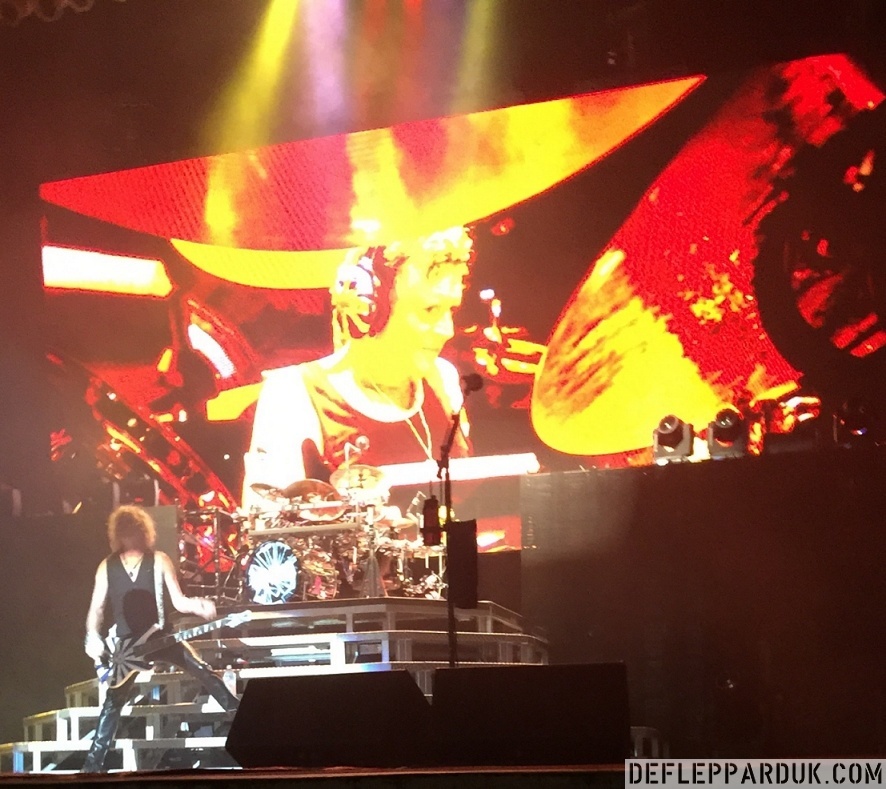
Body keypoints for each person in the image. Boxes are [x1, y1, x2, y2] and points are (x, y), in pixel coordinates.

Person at [242, 226, 475, 510]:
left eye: (451, 310)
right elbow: (267, 530)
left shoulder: (443, 381)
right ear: (369, 308)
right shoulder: (291, 394)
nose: (446, 330)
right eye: (429, 310)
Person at [82, 505, 239, 773]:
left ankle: (243, 721)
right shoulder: (107, 566)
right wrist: (92, 636)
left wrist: (198, 606)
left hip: (160, 636)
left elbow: (178, 600)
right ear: (119, 534)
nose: (131, 536)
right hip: (127, 645)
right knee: (114, 700)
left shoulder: (159, 560)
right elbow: (96, 608)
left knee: (201, 669)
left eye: (135, 531)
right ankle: (92, 766)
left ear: (143, 532)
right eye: (126, 531)